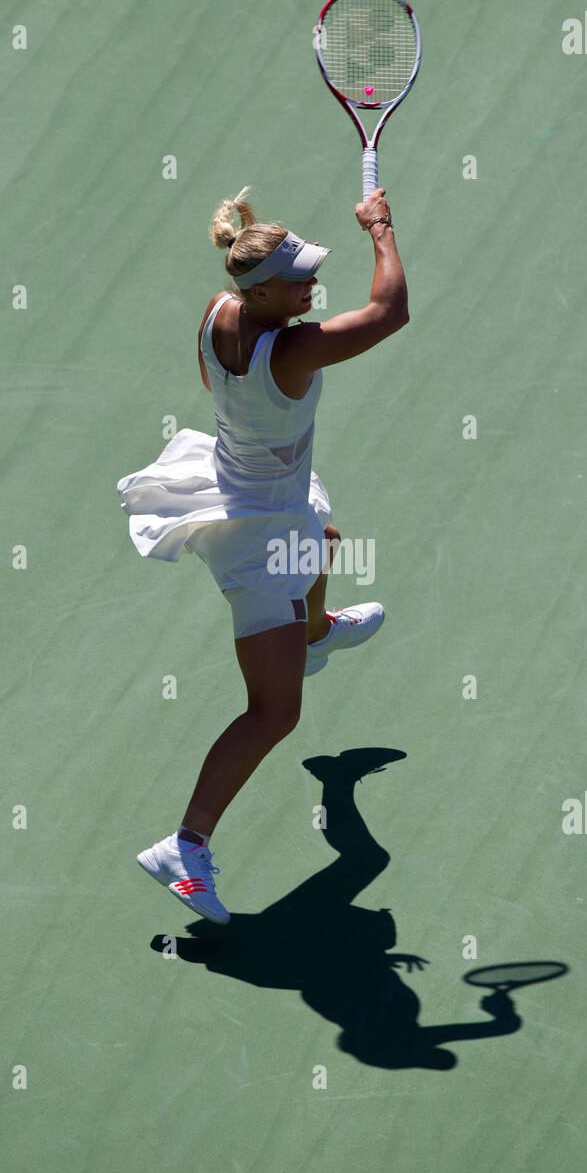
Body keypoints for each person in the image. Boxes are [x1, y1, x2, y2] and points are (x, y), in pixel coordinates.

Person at [118, 184, 408, 924]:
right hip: (260, 536)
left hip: (242, 482)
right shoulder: (296, 348)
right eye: (303, 277)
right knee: (274, 711)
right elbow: (389, 313)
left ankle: (314, 632)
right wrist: (380, 230)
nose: (315, 284)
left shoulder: (221, 314)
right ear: (267, 290)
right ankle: (186, 845)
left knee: (325, 538)